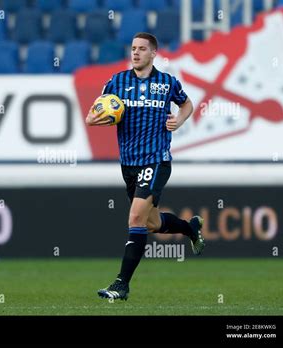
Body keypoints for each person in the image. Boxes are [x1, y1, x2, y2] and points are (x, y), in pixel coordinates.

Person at [86, 32, 205, 300]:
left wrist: (180, 120)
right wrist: (102, 118)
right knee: (151, 223)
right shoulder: (117, 81)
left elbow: (186, 104)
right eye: (133, 48)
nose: (136, 53)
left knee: (135, 219)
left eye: (142, 49)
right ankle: (190, 228)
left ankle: (121, 284)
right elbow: (91, 116)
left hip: (156, 159)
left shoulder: (167, 83)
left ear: (154, 53)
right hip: (128, 163)